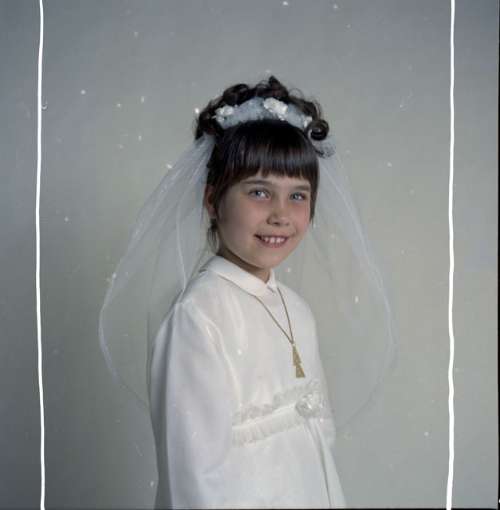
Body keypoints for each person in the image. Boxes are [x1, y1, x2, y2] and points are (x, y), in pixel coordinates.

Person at [99, 75, 397, 509]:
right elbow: (192, 478)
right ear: (212, 200)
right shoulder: (199, 317)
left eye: (298, 196)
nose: (281, 215)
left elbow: (317, 445)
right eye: (259, 192)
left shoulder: (296, 308)